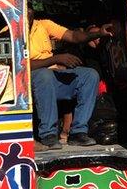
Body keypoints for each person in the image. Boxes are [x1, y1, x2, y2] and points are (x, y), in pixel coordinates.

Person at [29, 9, 113, 150]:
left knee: (90, 75)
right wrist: (55, 59)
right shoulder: (10, 30)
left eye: (30, 9)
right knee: (44, 75)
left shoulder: (43, 25)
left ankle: (78, 132)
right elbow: (21, 65)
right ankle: (48, 134)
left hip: (52, 77)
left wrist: (99, 33)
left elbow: (74, 36)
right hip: (30, 81)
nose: (28, 12)